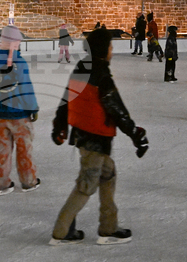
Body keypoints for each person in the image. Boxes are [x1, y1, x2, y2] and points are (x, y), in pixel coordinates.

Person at [49, 28, 149, 245]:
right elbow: (116, 108)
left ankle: (109, 227)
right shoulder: (101, 74)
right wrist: (135, 134)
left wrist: (59, 124)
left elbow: (66, 99)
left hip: (85, 136)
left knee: (108, 174)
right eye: (110, 47)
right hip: (94, 138)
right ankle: (61, 231)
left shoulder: (81, 68)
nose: (112, 51)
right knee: (87, 185)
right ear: (103, 50)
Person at [0, 25, 40, 195]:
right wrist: (33, 108)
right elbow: (26, 88)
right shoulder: (19, 62)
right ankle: (28, 181)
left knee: (2, 150)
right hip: (20, 115)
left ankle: (0, 183)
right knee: (24, 149)